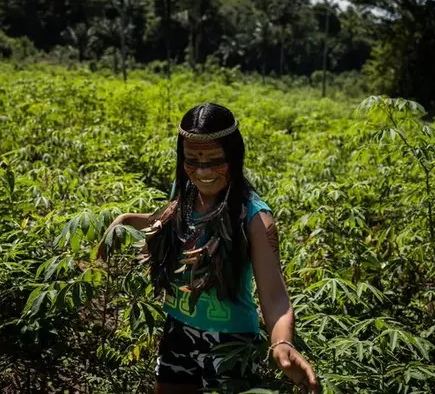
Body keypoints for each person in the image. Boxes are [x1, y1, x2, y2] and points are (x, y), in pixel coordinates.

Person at [97, 103, 319, 393]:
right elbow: (164, 221)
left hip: (230, 342)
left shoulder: (253, 217)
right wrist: (125, 221)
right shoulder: (185, 192)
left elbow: (275, 295)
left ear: (234, 156)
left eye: (215, 160)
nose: (203, 172)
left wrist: (281, 342)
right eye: (192, 160)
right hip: (177, 329)